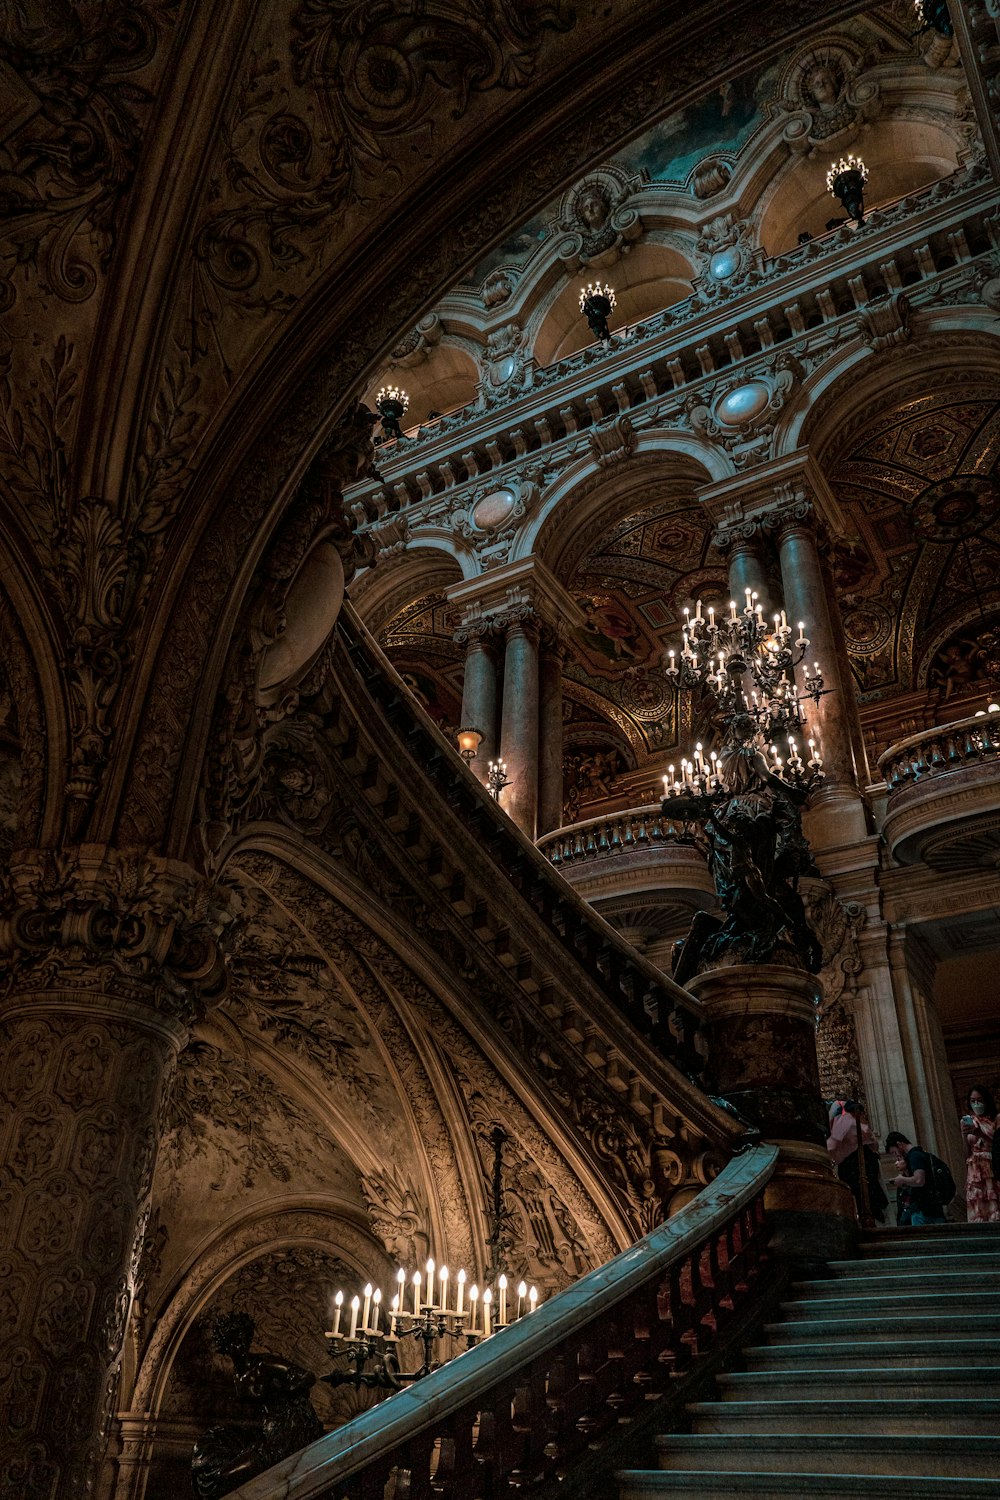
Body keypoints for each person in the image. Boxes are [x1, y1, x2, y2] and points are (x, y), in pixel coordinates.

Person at [827, 1099, 888, 1223]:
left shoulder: (844, 1121)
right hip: (867, 1162)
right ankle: (872, 1216)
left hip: (853, 1164)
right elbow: (875, 1146)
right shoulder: (861, 1124)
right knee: (869, 1193)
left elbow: (832, 1146)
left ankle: (865, 1218)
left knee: (857, 1194)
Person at [886, 1130, 946, 1226]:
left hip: (923, 1210)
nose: (896, 1156)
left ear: (899, 1144)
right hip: (935, 1207)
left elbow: (919, 1180)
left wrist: (902, 1179)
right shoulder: (922, 1154)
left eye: (894, 1152)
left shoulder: (914, 1156)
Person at [960, 1083, 1000, 1224]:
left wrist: (979, 1133)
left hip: (992, 1164)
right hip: (975, 1169)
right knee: (979, 1207)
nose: (976, 1103)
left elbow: (998, 1142)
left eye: (979, 1100)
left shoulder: (996, 1118)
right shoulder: (969, 1120)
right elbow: (966, 1152)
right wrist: (965, 1134)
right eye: (973, 1101)